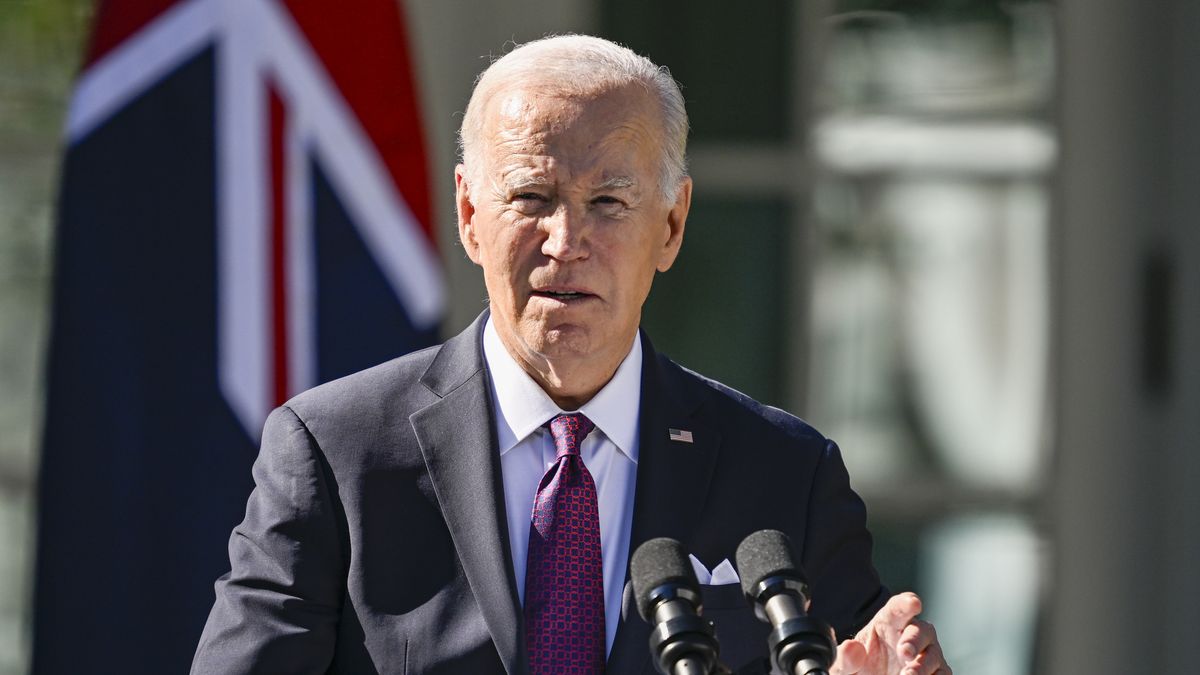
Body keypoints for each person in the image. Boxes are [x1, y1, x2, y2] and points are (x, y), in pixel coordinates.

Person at [192, 35, 950, 675]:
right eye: (530, 198)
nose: (565, 242)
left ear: (673, 224)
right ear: (469, 215)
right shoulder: (336, 453)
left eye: (609, 202)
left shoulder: (786, 474)